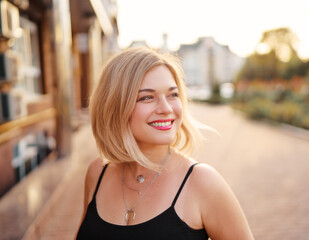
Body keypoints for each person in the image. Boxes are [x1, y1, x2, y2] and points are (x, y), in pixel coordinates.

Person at [76, 47, 254, 240]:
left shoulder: (202, 182)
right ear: (114, 106)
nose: (166, 108)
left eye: (173, 95)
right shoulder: (97, 172)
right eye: (147, 97)